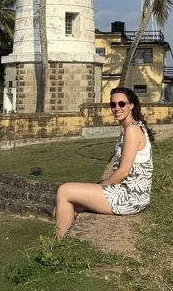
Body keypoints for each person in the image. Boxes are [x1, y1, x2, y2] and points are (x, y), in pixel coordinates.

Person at [55, 87, 154, 239]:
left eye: (121, 104)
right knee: (73, 205)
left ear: (131, 105)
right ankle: (63, 244)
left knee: (64, 191)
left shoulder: (132, 130)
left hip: (130, 197)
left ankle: (57, 244)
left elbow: (123, 172)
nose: (117, 108)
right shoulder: (129, 128)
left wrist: (101, 186)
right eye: (113, 104)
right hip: (130, 194)